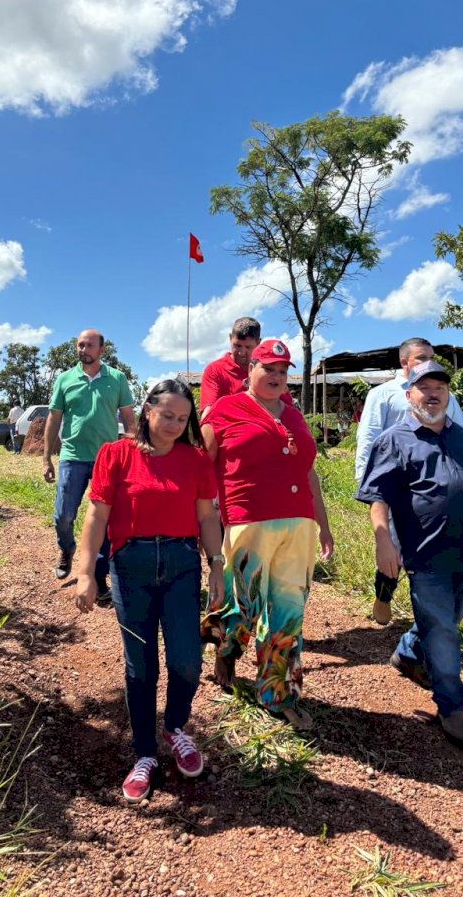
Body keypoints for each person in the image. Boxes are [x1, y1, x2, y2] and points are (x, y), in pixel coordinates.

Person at [75, 379, 223, 803]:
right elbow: (96, 517)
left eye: (183, 417)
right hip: (130, 567)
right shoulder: (116, 454)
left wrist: (216, 564)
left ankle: (175, 728)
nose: (176, 424)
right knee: (140, 667)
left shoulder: (195, 460)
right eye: (167, 416)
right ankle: (144, 753)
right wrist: (87, 572)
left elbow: (208, 518)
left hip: (180, 565)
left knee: (187, 662)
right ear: (146, 411)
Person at [356, 360, 463, 746]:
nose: (434, 393)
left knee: (454, 610)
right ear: (409, 395)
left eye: (440, 386)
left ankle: (408, 651)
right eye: (424, 387)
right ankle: (451, 707)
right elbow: (378, 497)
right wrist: (382, 540)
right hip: (424, 552)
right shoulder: (393, 440)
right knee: (441, 628)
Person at [200, 339, 334, 731]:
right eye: (268, 369)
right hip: (247, 520)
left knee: (289, 612)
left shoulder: (293, 415)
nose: (276, 377)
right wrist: (202, 526)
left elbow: (308, 472)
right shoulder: (225, 411)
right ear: (251, 370)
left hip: (299, 524)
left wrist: (322, 524)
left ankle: (279, 694)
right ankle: (226, 647)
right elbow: (202, 470)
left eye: (283, 371)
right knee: (243, 606)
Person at [355, 337, 463, 626]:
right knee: (392, 547)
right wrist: (368, 485)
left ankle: (430, 616)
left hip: (434, 484)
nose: (427, 363)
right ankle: (384, 596)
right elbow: (368, 438)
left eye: (431, 357)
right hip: (395, 484)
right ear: (404, 362)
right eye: (420, 358)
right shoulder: (383, 394)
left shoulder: (444, 394)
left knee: (434, 548)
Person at [43, 330, 136, 593]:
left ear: (101, 350)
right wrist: (46, 457)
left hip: (107, 459)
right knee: (63, 515)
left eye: (89, 345)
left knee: (104, 519)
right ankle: (66, 548)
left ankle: (98, 574)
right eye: (80, 345)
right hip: (72, 456)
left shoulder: (116, 379)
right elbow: (54, 418)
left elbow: (129, 418)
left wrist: (132, 448)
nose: (84, 349)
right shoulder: (65, 379)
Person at [199, 316, 262, 418]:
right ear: (230, 338)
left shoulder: (267, 371)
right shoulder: (215, 370)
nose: (241, 353)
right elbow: (207, 416)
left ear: (258, 343)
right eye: (237, 346)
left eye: (248, 347)